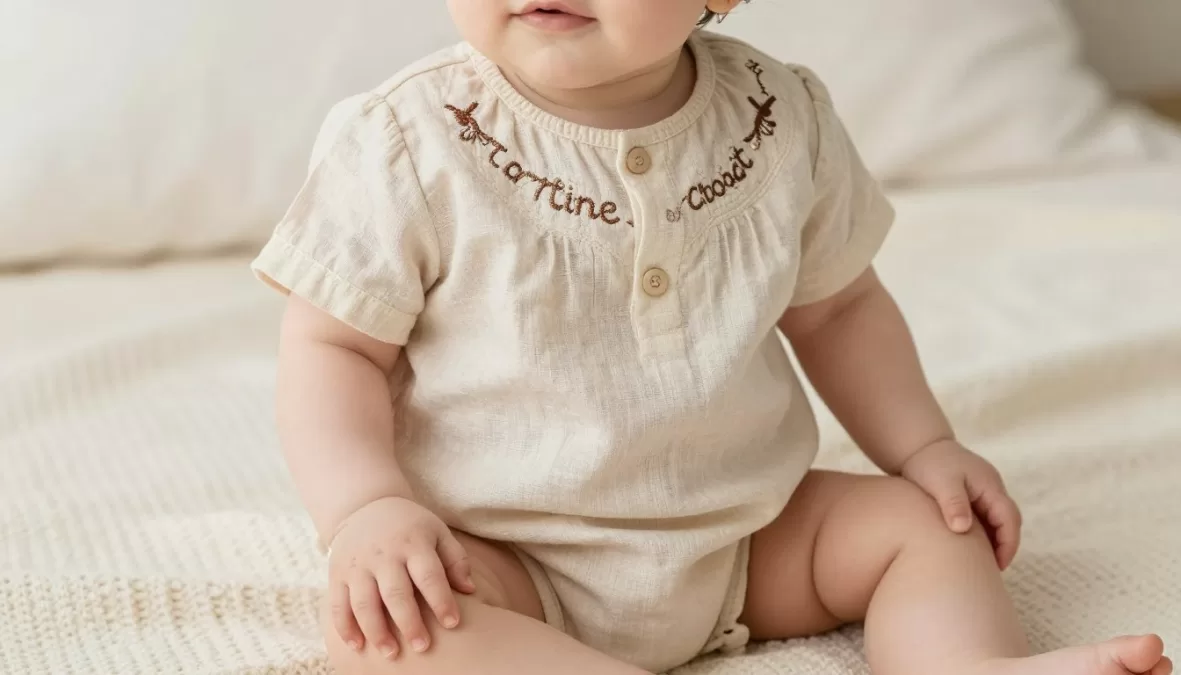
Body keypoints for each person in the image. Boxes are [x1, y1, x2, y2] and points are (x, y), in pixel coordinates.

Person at [250, 1, 1171, 674]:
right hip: (501, 551)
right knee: (391, 636)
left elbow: (840, 308)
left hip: (747, 533)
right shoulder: (407, 142)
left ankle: (963, 667)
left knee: (925, 524)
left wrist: (923, 445)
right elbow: (334, 350)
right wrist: (365, 505)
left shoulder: (779, 119)